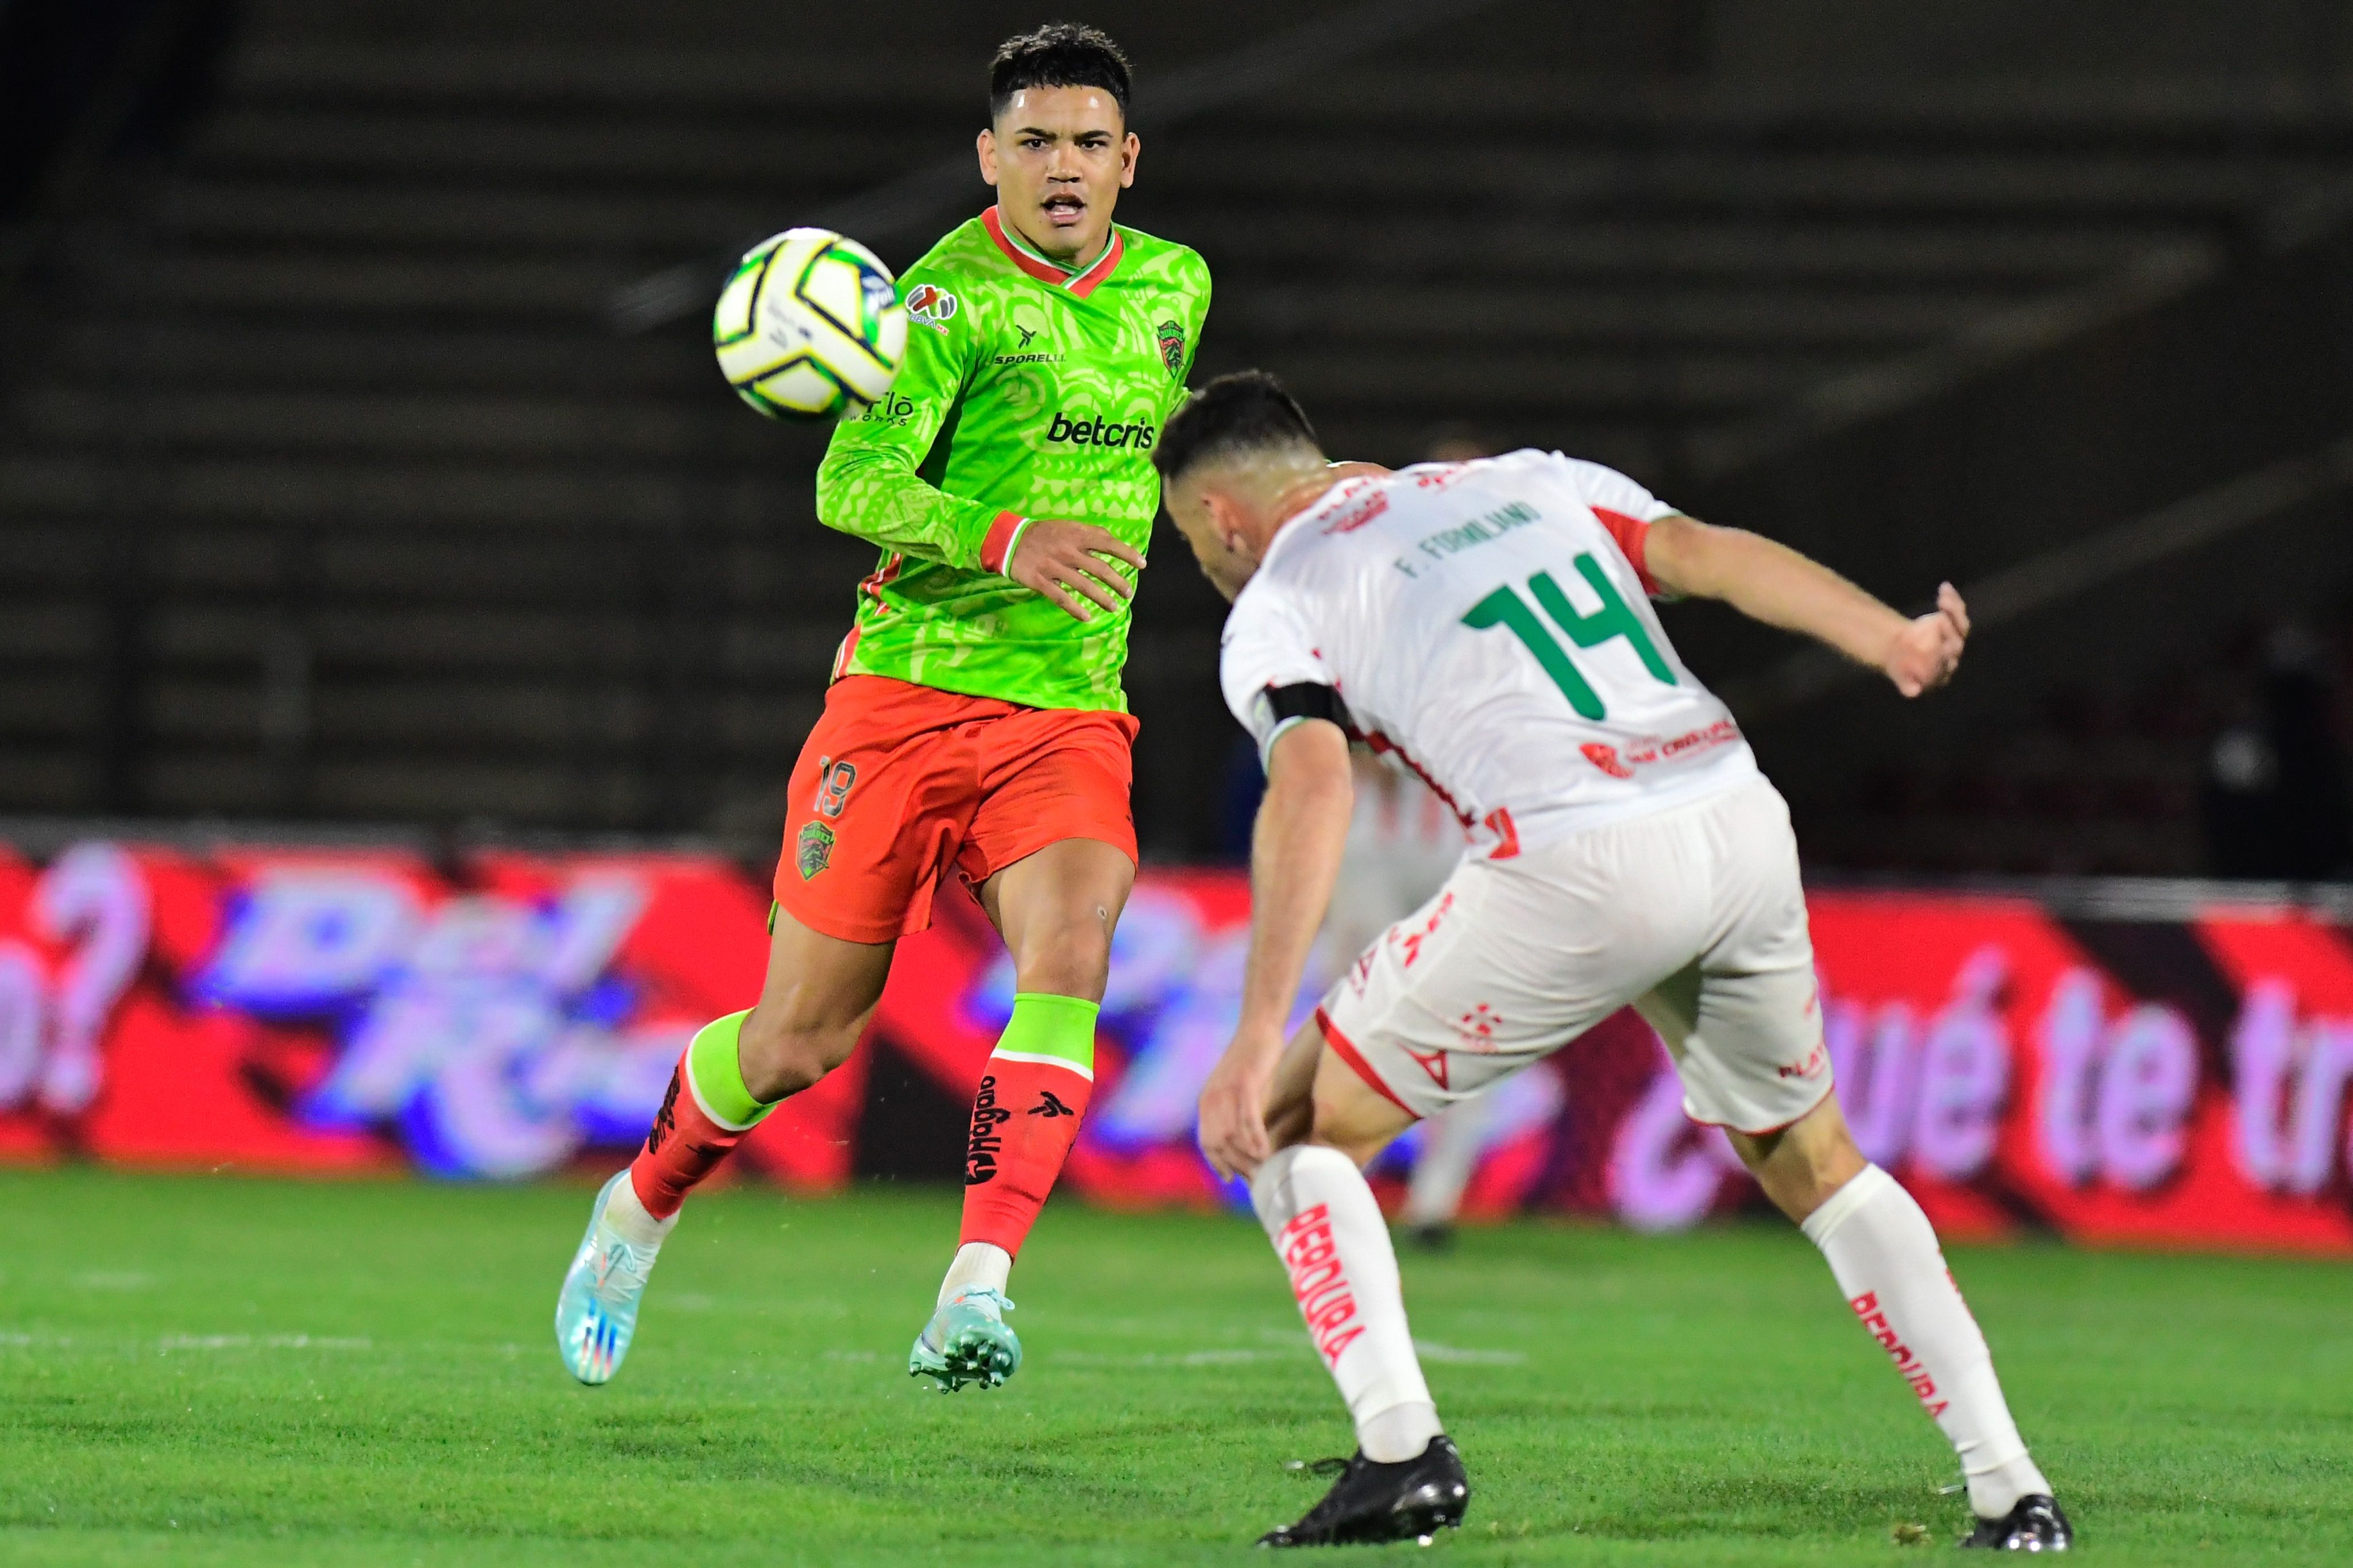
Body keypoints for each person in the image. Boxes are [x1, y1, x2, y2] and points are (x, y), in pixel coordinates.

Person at [1157, 372, 2069, 1551]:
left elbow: (1314, 778)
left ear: (1223, 519)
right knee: (1809, 1154)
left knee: (1285, 1125)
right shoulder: (1522, 480)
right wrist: (1882, 636)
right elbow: (1704, 551)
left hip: (1572, 857)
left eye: (1189, 540)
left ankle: (1398, 1454)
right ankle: (2008, 1485)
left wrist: (1250, 1032)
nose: (1202, 561)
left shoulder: (1281, 593)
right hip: (1732, 813)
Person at [555, 22, 1212, 1395]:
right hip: (903, 705)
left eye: (1088, 142)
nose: (1062, 167)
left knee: (1070, 953)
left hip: (1064, 715)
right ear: (989, 158)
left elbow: (1163, 428)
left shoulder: (1173, 286)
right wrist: (1002, 537)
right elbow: (847, 489)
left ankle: (975, 1291)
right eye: (1033, 143)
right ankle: (636, 1209)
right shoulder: (939, 304)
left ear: (1128, 161)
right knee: (800, 1040)